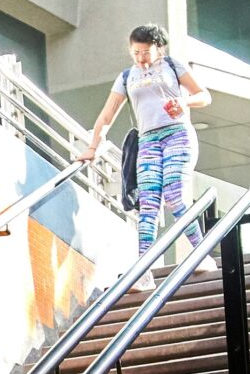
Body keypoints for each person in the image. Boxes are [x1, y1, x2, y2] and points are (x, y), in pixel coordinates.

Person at [79, 24, 214, 269]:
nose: (141, 58)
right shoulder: (127, 76)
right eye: (136, 53)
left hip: (177, 135)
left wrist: (185, 103)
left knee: (174, 195)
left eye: (146, 53)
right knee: (148, 204)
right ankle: (143, 270)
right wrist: (92, 146)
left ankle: (201, 253)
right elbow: (108, 114)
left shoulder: (173, 66)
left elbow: (204, 95)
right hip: (148, 141)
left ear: (158, 49)